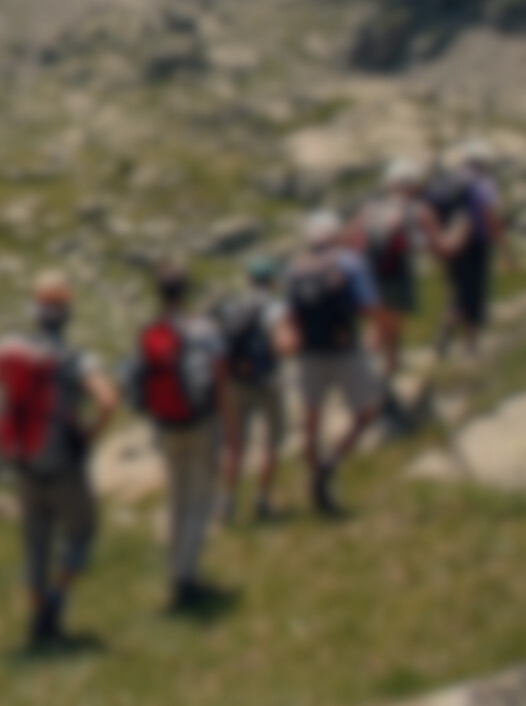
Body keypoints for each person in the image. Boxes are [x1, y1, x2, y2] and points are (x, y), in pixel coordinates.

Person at [0, 272, 118, 651]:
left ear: (34, 312)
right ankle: (54, 606)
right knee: (81, 533)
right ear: (67, 314)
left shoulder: (16, 354)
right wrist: (90, 433)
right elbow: (108, 401)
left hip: (25, 463)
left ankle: (38, 627)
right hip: (64, 464)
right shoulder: (74, 357)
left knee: (36, 545)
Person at [125, 259, 230, 611]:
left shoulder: (149, 330)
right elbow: (219, 376)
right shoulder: (202, 329)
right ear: (187, 291)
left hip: (165, 423)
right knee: (200, 501)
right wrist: (228, 422)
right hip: (200, 421)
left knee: (177, 499)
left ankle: (175, 570)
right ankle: (186, 579)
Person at [283, 209, 385, 517]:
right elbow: (368, 305)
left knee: (311, 420)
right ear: (335, 235)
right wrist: (376, 331)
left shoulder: (295, 269)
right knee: (366, 412)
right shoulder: (350, 262)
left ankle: (315, 477)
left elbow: (290, 315)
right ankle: (330, 465)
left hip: (309, 353)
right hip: (345, 349)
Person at [354, 157, 441, 426]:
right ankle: (380, 385)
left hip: (369, 278)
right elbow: (435, 244)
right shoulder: (417, 209)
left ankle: (379, 381)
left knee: (379, 329)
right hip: (397, 278)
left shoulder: (370, 209)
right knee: (390, 333)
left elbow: (350, 240)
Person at [211, 254, 290, 524]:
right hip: (267, 381)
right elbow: (282, 344)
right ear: (272, 281)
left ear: (248, 280)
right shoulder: (275, 307)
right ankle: (262, 499)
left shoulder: (232, 306)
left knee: (235, 445)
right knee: (271, 442)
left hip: (235, 382)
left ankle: (227, 500)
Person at [429, 139, 512, 360]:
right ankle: (470, 347)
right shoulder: (483, 182)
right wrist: (505, 250)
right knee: (474, 295)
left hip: (450, 244)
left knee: (459, 292)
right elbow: (490, 215)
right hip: (475, 244)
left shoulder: (448, 180)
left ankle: (445, 332)